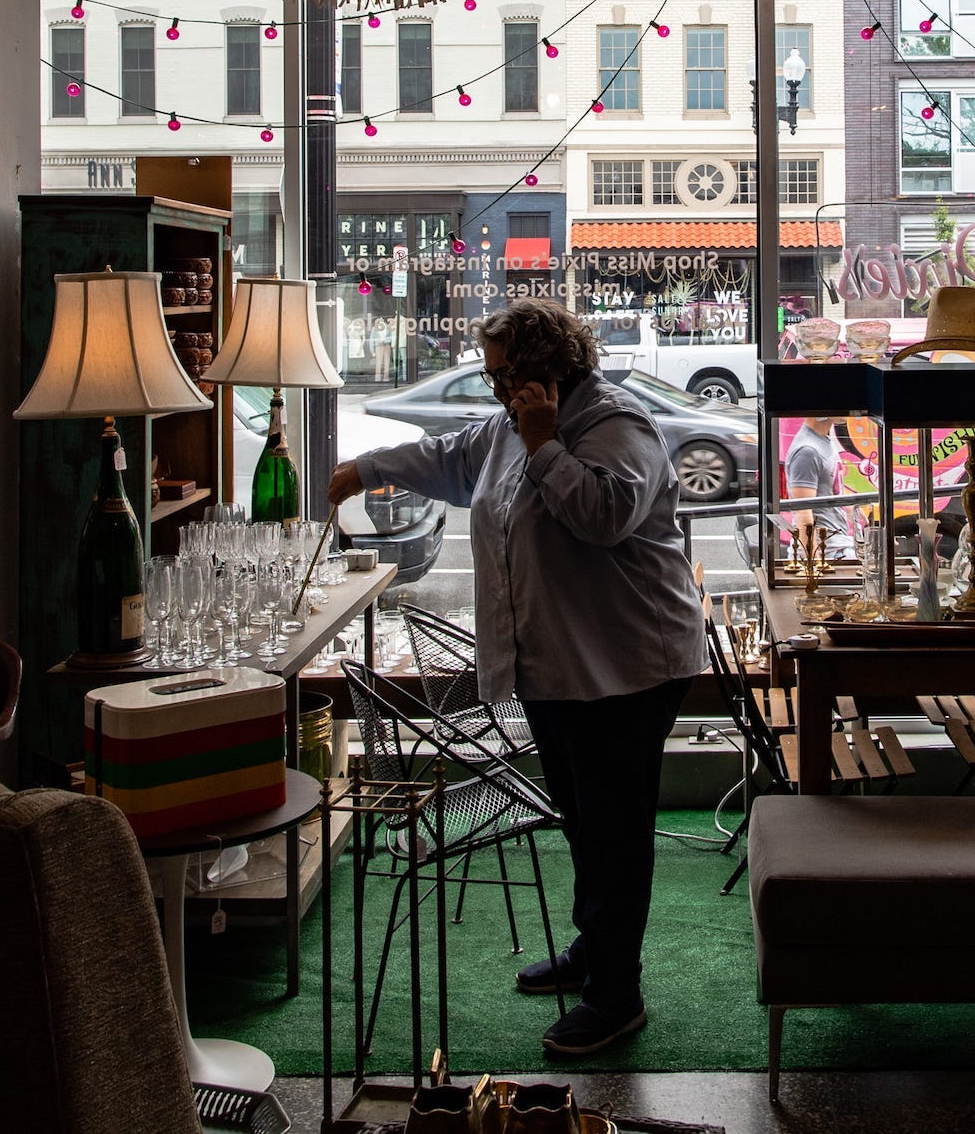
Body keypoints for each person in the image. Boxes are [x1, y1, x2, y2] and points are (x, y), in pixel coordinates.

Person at [328, 299, 704, 1057]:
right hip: (557, 664)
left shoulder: (614, 424)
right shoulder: (507, 428)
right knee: (581, 819)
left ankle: (615, 996)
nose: (497, 392)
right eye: (496, 380)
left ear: (547, 369)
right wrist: (361, 470)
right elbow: (447, 459)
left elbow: (603, 515)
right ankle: (592, 952)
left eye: (507, 377)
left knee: (615, 835)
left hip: (624, 668)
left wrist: (542, 444)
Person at [782, 414, 858, 563]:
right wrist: (814, 564)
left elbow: (832, 491)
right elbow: (803, 512)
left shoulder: (823, 440)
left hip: (835, 547)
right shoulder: (807, 451)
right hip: (827, 553)